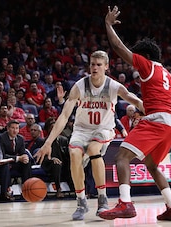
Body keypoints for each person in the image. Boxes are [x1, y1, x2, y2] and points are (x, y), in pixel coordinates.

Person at [34, 49, 144, 220]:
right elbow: (64, 116)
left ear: (106, 67)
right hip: (81, 129)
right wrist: (48, 142)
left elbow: (134, 99)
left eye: (99, 65)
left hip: (103, 129)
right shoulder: (80, 86)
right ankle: (81, 201)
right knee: (74, 154)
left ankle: (102, 199)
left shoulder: (113, 86)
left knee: (93, 149)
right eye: (92, 64)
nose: (95, 68)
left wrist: (153, 109)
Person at [99, 6, 171, 221]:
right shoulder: (168, 75)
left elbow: (118, 47)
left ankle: (125, 203)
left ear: (145, 55)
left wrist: (107, 24)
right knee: (152, 165)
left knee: (122, 157)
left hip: (158, 119)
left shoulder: (147, 64)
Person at [0, 120, 32, 187]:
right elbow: (2, 155)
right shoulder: (1, 138)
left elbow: (22, 153)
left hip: (16, 162)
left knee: (27, 163)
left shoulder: (21, 139)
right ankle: (8, 190)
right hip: (5, 162)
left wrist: (24, 158)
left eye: (17, 128)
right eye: (13, 128)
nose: (15, 130)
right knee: (6, 166)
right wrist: (17, 158)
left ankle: (27, 187)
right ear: (8, 128)